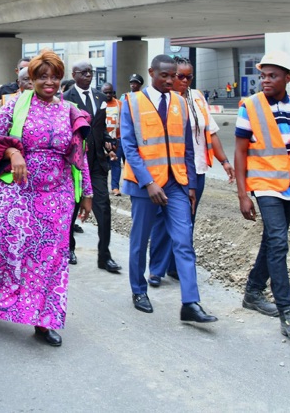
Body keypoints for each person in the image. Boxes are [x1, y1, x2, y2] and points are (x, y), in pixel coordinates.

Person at [0, 49, 92, 347]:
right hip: (18, 193)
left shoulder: (69, 111)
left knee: (51, 259)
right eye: (42, 77)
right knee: (11, 249)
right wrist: (13, 151)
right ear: (32, 80)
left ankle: (44, 320)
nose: (49, 82)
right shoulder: (14, 107)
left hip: (57, 196)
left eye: (54, 77)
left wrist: (86, 193)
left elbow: (78, 155)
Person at [121, 54, 216, 323]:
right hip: (145, 185)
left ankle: (190, 303)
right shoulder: (132, 101)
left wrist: (191, 185)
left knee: (184, 241)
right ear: (151, 72)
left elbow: (188, 147)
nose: (170, 80)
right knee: (140, 241)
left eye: (173, 76)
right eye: (164, 75)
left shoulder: (180, 103)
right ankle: (138, 291)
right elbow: (129, 146)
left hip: (177, 184)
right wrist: (148, 182)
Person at [235, 51, 290, 339]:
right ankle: (288, 313)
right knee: (278, 242)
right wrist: (243, 193)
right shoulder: (249, 106)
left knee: (272, 241)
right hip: (263, 184)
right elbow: (241, 150)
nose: (265, 80)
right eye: (263, 75)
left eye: (272, 75)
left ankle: (253, 292)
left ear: (288, 78)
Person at [148, 57, 234, 286]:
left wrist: (224, 161)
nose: (185, 81)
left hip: (197, 169)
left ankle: (175, 267)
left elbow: (211, 132)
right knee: (163, 221)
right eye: (180, 76)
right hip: (171, 171)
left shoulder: (197, 98)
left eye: (189, 77)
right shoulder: (164, 102)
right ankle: (156, 269)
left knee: (188, 221)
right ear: (170, 75)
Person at [64, 61, 119, 272]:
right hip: (75, 165)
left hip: (97, 163)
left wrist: (107, 140)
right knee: (72, 208)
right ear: (74, 74)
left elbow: (100, 127)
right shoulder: (66, 98)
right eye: (83, 73)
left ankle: (104, 256)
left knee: (104, 209)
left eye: (90, 72)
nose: (88, 76)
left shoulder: (99, 97)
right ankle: (69, 248)